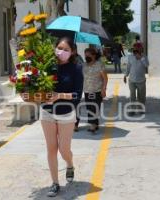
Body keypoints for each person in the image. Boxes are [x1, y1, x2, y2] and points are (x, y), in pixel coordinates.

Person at [40, 37, 83, 197]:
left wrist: (59, 96)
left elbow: (77, 95)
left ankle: (70, 164)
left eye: (66, 49)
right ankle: (55, 183)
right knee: (51, 148)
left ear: (72, 52)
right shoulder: (47, 66)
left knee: (64, 149)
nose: (61, 52)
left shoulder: (76, 69)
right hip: (47, 112)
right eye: (59, 48)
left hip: (66, 113)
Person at [83, 47, 108, 133]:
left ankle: (92, 125)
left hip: (97, 90)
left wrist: (104, 89)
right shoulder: (84, 65)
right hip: (87, 90)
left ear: (94, 55)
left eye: (88, 55)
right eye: (85, 55)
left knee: (94, 107)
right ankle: (95, 124)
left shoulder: (99, 64)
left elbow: (105, 78)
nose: (86, 57)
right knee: (89, 107)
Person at [124, 48, 149, 115]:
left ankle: (141, 109)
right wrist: (125, 75)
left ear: (140, 51)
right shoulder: (130, 56)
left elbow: (146, 65)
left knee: (141, 96)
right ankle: (132, 110)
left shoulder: (144, 56)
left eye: (137, 52)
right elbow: (128, 66)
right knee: (132, 95)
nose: (135, 54)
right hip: (132, 80)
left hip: (141, 80)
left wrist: (141, 58)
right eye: (134, 52)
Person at [72, 44, 84, 132]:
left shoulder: (79, 59)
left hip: (77, 86)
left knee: (76, 105)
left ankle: (76, 124)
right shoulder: (66, 59)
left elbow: (82, 70)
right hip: (68, 85)